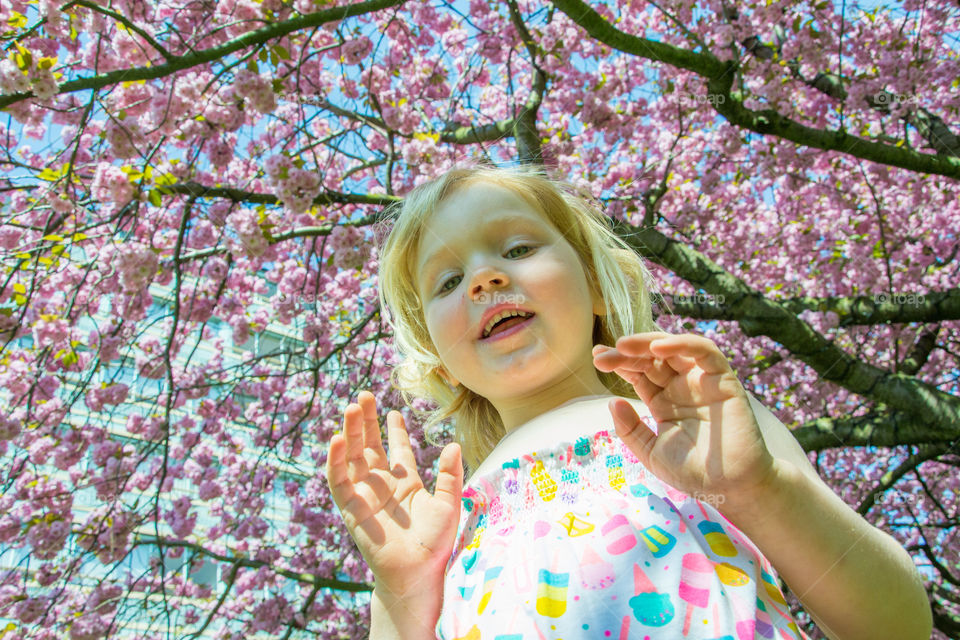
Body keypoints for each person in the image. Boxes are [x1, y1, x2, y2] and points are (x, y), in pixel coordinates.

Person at [325, 165, 932, 640]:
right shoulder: (450, 520)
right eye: (449, 282)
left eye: (516, 249)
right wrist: (402, 588)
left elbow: (894, 626)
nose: (484, 278)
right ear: (437, 357)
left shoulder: (699, 428)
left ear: (594, 284)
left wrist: (758, 488)